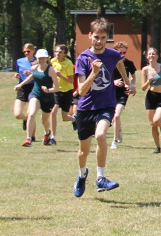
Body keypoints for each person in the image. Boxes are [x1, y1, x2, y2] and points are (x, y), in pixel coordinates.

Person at [68, 18, 133, 196]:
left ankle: (101, 178)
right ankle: (82, 175)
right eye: (96, 37)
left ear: (107, 38)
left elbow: (119, 62)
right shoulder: (83, 59)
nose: (99, 41)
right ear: (90, 36)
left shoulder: (112, 55)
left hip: (106, 105)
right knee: (83, 151)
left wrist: (128, 83)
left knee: (101, 135)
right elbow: (81, 91)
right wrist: (94, 73)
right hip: (85, 108)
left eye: (103, 38)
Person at [16, 48, 58, 147]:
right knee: (31, 114)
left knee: (45, 121)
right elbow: (32, 77)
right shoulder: (34, 68)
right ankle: (28, 139)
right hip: (36, 94)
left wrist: (48, 90)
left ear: (47, 58)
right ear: (37, 58)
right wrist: (20, 85)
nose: (41, 60)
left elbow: (57, 88)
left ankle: (47, 133)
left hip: (48, 98)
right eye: (39, 58)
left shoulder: (50, 70)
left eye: (43, 58)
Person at [141, 48, 161, 153]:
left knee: (157, 120)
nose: (151, 56)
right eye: (149, 54)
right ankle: (158, 147)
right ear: (147, 57)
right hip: (150, 97)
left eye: (153, 54)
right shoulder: (145, 70)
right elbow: (143, 88)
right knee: (152, 125)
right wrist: (149, 80)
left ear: (157, 56)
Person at [110, 41, 136, 149]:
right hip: (110, 92)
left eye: (124, 51)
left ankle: (114, 141)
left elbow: (134, 77)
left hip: (123, 93)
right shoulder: (110, 62)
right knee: (113, 117)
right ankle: (118, 128)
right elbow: (105, 78)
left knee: (117, 115)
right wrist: (114, 82)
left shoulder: (129, 63)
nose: (122, 54)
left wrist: (131, 86)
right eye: (120, 51)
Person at [13, 42, 36, 128]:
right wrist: (17, 75)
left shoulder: (37, 62)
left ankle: (31, 137)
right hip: (22, 87)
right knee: (18, 114)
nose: (26, 53)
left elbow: (39, 74)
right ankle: (26, 119)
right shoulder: (19, 61)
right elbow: (18, 72)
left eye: (28, 51)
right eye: (24, 51)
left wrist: (30, 73)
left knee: (30, 113)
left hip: (33, 87)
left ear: (33, 50)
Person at [53, 44, 77, 126]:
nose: (57, 54)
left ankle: (75, 119)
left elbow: (71, 80)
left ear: (65, 54)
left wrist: (60, 75)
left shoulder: (68, 63)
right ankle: (52, 136)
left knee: (65, 118)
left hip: (67, 91)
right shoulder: (52, 61)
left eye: (60, 52)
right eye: (56, 52)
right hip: (56, 90)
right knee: (53, 112)